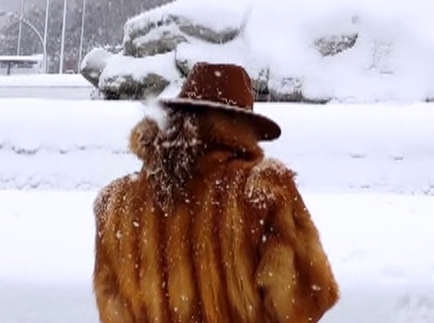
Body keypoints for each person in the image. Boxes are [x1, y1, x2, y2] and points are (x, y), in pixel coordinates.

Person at [92, 62, 339, 323]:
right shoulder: (263, 191)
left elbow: (112, 308)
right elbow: (305, 300)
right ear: (244, 126)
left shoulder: (116, 202)